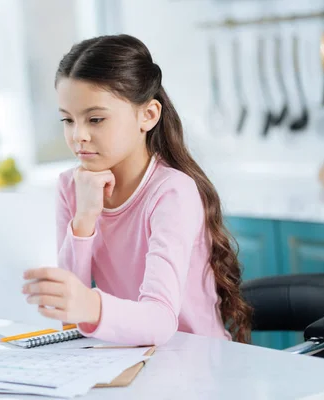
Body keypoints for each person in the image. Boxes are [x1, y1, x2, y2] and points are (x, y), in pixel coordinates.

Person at [22, 34, 251, 345]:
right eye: (68, 120)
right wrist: (85, 218)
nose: (79, 136)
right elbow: (69, 315)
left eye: (96, 119)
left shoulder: (172, 192)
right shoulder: (72, 186)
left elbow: (159, 320)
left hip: (195, 362)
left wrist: (87, 304)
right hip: (124, 358)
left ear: (148, 115)